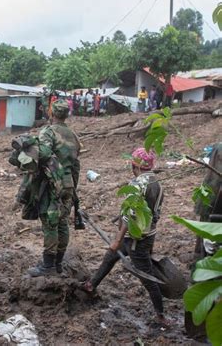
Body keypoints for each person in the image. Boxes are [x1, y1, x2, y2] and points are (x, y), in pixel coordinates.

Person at [82, 148, 168, 326]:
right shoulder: (157, 183)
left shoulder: (137, 184)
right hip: (147, 234)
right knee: (110, 257)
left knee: (147, 277)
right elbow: (156, 212)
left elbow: (129, 215)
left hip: (135, 238)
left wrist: (117, 239)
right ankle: (91, 285)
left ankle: (161, 315)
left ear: (134, 165)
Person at [27, 100, 81, 277]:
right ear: (67, 114)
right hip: (68, 183)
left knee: (50, 222)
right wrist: (73, 187)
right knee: (62, 222)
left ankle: (48, 266)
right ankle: (58, 263)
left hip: (52, 184)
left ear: (52, 113)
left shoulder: (48, 132)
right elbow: (76, 164)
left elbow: (43, 156)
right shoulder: (73, 135)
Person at [194, 142, 222, 258]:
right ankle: (200, 257)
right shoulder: (219, 148)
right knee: (207, 227)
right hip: (214, 193)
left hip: (213, 192)